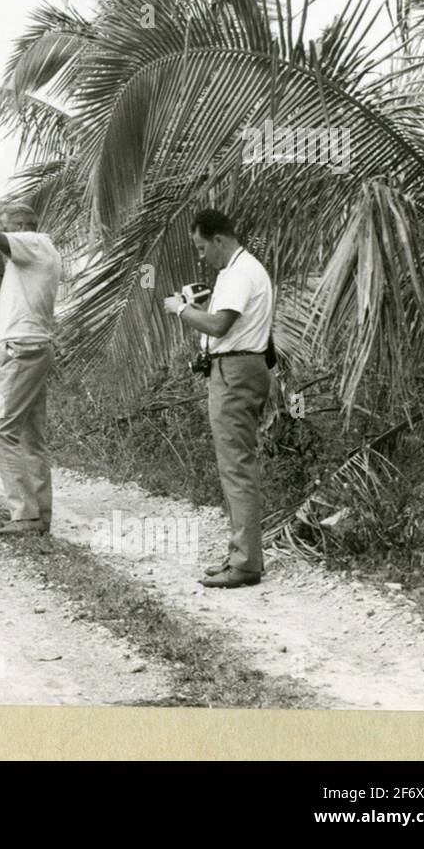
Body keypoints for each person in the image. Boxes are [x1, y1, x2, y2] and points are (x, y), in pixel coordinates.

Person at [163, 208, 274, 588]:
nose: (200, 256)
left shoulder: (242, 272)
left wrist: (180, 310)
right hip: (237, 368)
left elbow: (219, 325)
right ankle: (241, 554)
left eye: (200, 247)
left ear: (219, 240)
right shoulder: (234, 272)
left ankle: (245, 563)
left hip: (236, 372)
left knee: (237, 466)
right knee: (234, 464)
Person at [0, 203, 64, 536]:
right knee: (30, 438)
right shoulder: (36, 253)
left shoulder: (36, 241)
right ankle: (40, 513)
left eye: (8, 225)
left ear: (23, 226)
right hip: (30, 347)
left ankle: (25, 514)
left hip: (23, 349)